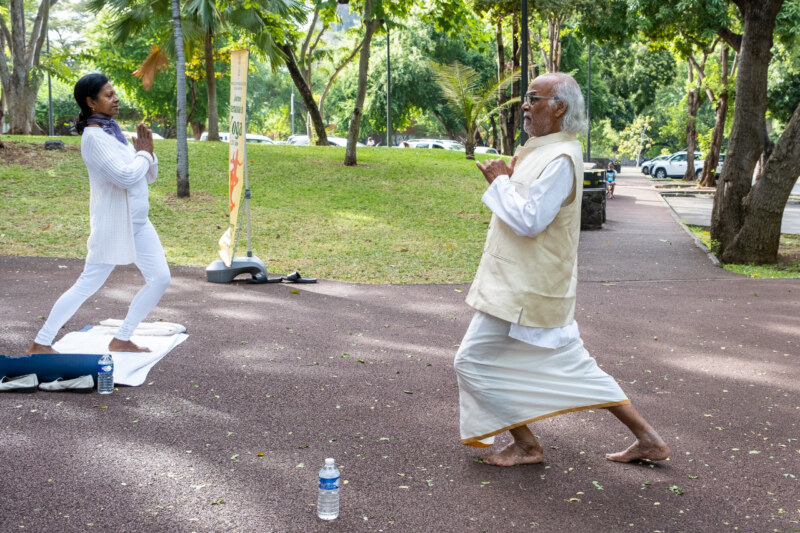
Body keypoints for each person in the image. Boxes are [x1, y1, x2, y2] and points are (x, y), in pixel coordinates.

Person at [454, 72, 669, 466]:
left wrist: (500, 183)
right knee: (573, 366)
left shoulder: (561, 158)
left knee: (472, 362)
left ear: (558, 108)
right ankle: (648, 439)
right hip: (524, 285)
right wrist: (509, 180)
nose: (524, 105)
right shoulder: (546, 150)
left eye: (533, 98)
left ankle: (527, 446)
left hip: (526, 289)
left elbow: (530, 220)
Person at [25, 73, 171, 355]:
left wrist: (148, 154)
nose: (115, 98)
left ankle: (122, 338)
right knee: (87, 284)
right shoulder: (94, 138)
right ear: (91, 102)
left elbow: (146, 176)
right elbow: (125, 177)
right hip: (114, 225)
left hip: (139, 223)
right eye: (108, 95)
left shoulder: (113, 131)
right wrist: (144, 155)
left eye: (114, 93)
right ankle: (41, 342)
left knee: (160, 278)